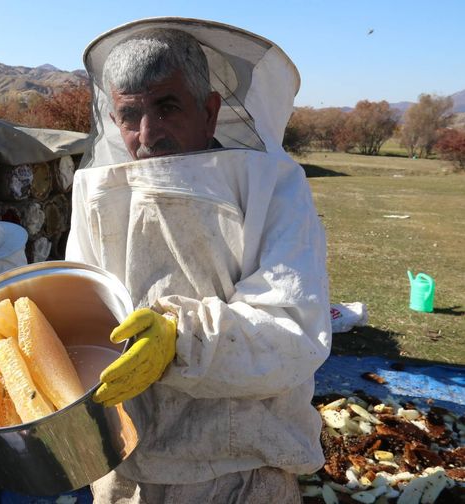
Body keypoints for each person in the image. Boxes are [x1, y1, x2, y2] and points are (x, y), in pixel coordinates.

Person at [64, 19, 332, 503]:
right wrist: (18, 414)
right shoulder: (97, 192)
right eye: (129, 115)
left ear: (209, 111)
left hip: (241, 473)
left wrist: (181, 339)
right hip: (125, 471)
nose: (148, 134)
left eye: (167, 107)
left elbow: (293, 331)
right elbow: (81, 318)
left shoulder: (273, 186)